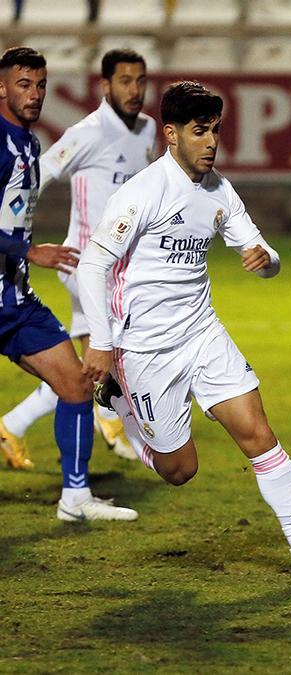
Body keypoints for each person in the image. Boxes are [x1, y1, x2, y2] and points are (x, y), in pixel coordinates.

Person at [76, 81, 291, 587]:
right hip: (146, 349)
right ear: (171, 133)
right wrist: (101, 341)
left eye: (217, 132)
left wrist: (266, 261)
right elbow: (94, 264)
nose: (211, 143)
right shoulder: (142, 193)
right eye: (200, 132)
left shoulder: (219, 191)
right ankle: (116, 406)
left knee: (258, 433)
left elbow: (268, 257)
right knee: (180, 471)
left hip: (203, 333)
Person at [1, 48, 156, 467]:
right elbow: (39, 172)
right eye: (125, 80)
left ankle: (14, 425)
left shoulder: (147, 130)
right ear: (105, 85)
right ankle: (114, 421)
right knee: (107, 359)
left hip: (123, 268)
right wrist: (20, 239)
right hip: (84, 264)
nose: (135, 89)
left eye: (141, 80)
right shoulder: (87, 132)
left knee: (80, 367)